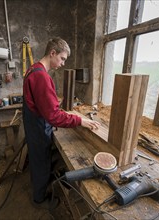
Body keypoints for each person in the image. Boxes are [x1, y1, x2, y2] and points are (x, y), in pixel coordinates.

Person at [22, 37, 100, 210]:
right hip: (38, 129)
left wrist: (54, 105)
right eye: (62, 58)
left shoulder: (32, 69)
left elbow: (43, 104)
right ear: (52, 53)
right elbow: (54, 117)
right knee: (41, 164)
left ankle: (39, 188)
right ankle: (39, 200)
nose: (63, 63)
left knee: (37, 162)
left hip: (33, 125)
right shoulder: (42, 77)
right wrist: (80, 120)